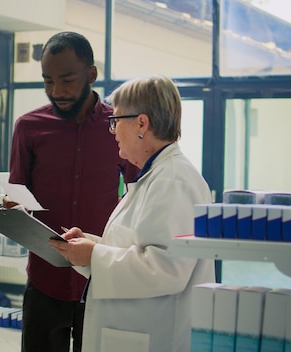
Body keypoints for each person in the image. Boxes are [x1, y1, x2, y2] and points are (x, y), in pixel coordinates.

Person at [49, 74, 215, 352]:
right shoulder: (156, 176)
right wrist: (90, 247)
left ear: (141, 123)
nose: (112, 131)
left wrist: (94, 255)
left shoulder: (173, 180)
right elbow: (138, 248)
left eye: (115, 121)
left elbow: (166, 269)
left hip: (155, 336)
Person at [6, 31, 139, 352]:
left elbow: (138, 196)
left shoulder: (120, 126)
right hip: (44, 278)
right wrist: (12, 208)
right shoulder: (29, 126)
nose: (57, 91)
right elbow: (16, 192)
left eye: (66, 80)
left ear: (91, 74)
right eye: (47, 81)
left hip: (100, 277)